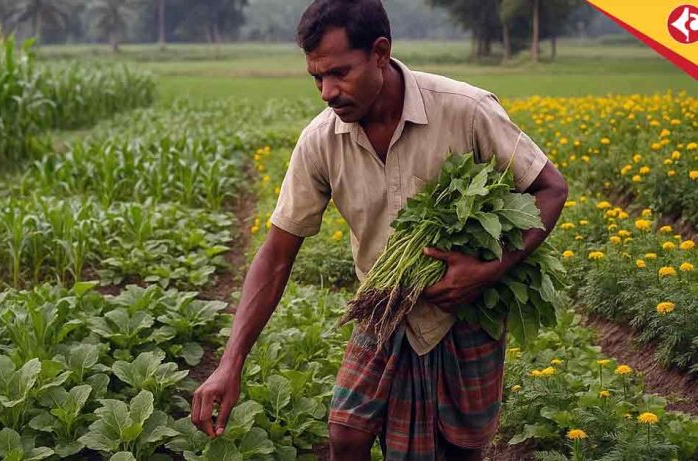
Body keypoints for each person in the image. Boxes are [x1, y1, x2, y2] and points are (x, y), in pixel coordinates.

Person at [191, 0, 569, 459]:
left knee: (462, 446)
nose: (327, 92)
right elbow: (276, 254)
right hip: (382, 307)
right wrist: (230, 363)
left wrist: (488, 269)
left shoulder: (465, 110)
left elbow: (550, 188)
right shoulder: (320, 140)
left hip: (467, 311)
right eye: (316, 77)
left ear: (380, 53)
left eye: (339, 73)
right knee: (346, 433)